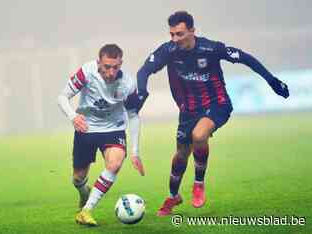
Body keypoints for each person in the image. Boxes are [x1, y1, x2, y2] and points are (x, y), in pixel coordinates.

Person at [136, 11, 289, 216]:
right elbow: (143, 71)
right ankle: (174, 196)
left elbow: (245, 58)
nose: (174, 39)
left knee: (199, 135)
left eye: (179, 34)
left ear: (192, 31)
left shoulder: (211, 48)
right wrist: (141, 91)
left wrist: (272, 81)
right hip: (188, 110)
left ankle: (199, 183)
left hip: (217, 104)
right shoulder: (168, 51)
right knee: (180, 156)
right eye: (171, 34)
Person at [57, 44, 145, 226]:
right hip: (86, 128)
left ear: (121, 63)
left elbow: (133, 116)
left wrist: (135, 152)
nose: (111, 72)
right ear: (99, 63)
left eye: (116, 67)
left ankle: (86, 211)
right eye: (107, 67)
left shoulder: (128, 83)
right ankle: (83, 192)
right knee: (78, 178)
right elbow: (62, 97)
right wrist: (73, 116)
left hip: (113, 129)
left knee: (114, 164)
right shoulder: (86, 72)